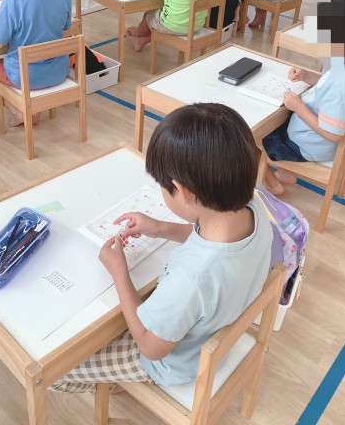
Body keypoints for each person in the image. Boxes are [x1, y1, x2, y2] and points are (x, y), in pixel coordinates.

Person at [51, 103, 273, 393]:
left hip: (175, 363)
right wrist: (159, 228)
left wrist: (119, 272)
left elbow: (150, 347)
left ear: (181, 191)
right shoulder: (251, 206)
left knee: (56, 372)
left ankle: (117, 384)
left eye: (163, 187)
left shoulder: (192, 278)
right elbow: (207, 242)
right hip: (215, 326)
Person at [261, 0, 345, 195]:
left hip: (309, 143)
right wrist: (308, 77)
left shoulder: (344, 83)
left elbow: (332, 133)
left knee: (252, 136)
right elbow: (331, 84)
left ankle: (272, 184)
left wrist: (298, 106)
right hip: (314, 135)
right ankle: (284, 173)